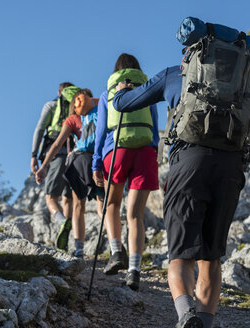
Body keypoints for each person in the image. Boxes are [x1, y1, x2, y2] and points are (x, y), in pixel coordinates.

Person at [112, 62, 250, 326]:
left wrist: (120, 90)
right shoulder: (243, 82)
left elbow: (124, 104)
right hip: (229, 170)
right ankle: (204, 323)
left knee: (181, 256)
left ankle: (186, 314)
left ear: (191, 52)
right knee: (211, 258)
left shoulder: (175, 74)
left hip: (188, 165)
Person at [92, 53, 159, 291]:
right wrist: (154, 151)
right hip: (145, 152)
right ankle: (134, 269)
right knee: (136, 215)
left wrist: (96, 163)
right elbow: (154, 126)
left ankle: (116, 251)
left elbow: (100, 131)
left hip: (116, 151)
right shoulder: (148, 91)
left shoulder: (106, 94)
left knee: (112, 204)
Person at [36, 89, 104, 258]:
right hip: (101, 160)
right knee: (102, 204)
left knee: (78, 206)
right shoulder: (100, 109)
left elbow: (58, 143)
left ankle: (79, 248)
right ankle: (114, 244)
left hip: (79, 162)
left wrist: (43, 165)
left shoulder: (72, 119)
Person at [31, 83, 80, 251]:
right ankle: (67, 242)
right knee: (68, 199)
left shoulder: (52, 105)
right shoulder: (77, 106)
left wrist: (33, 155)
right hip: (76, 155)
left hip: (57, 154)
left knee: (50, 197)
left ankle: (61, 221)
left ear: (59, 93)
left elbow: (39, 129)